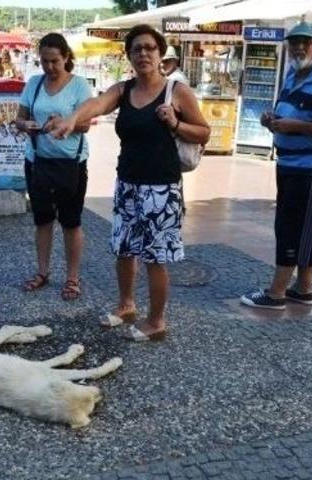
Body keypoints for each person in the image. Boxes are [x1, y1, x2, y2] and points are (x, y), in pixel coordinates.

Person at [49, 24, 210, 342]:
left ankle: (156, 321)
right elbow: (96, 104)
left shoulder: (176, 91)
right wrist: (72, 119)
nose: (144, 53)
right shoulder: (123, 90)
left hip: (161, 189)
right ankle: (126, 305)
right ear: (130, 56)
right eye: (137, 49)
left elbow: (204, 132)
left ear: (160, 53)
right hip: (128, 185)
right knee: (124, 250)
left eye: (150, 47)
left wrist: (176, 123)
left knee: (155, 257)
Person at [239, 22, 312, 310]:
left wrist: (293, 125)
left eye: (305, 42)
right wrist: (272, 119)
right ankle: (303, 289)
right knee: (302, 228)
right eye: (294, 42)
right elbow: (288, 113)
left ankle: (276, 294)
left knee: (294, 229)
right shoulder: (292, 76)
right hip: (291, 165)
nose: (299, 47)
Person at [15, 33, 93, 301]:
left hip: (71, 163)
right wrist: (26, 126)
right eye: (44, 61)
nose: (49, 67)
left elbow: (85, 124)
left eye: (54, 61)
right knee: (43, 219)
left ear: (66, 58)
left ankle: (72, 277)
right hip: (38, 161)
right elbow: (19, 118)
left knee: (71, 222)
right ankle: (43, 272)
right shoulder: (34, 84)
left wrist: (64, 121)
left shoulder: (79, 85)